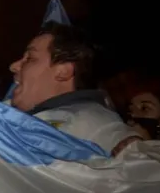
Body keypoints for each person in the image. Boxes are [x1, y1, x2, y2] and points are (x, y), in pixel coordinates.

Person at [9, 23, 140, 155]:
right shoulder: (11, 114)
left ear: (63, 71)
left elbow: (139, 159)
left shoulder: (90, 119)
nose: (13, 66)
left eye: (30, 58)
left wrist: (132, 148)